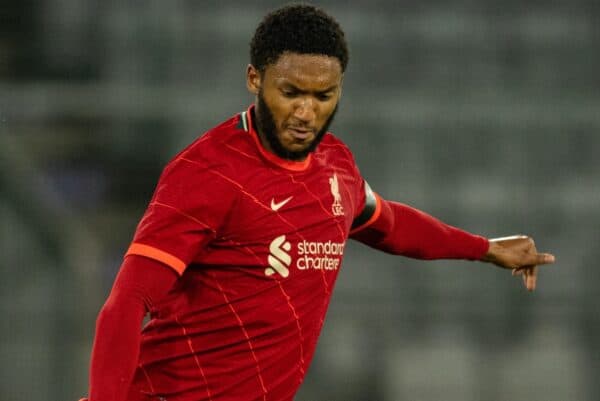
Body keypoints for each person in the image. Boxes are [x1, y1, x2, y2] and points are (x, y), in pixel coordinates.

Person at [80, 4, 555, 401]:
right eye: (290, 93)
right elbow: (127, 303)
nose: (306, 112)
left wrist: (484, 247)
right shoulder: (205, 173)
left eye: (323, 95)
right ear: (254, 79)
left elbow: (388, 223)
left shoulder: (336, 166)